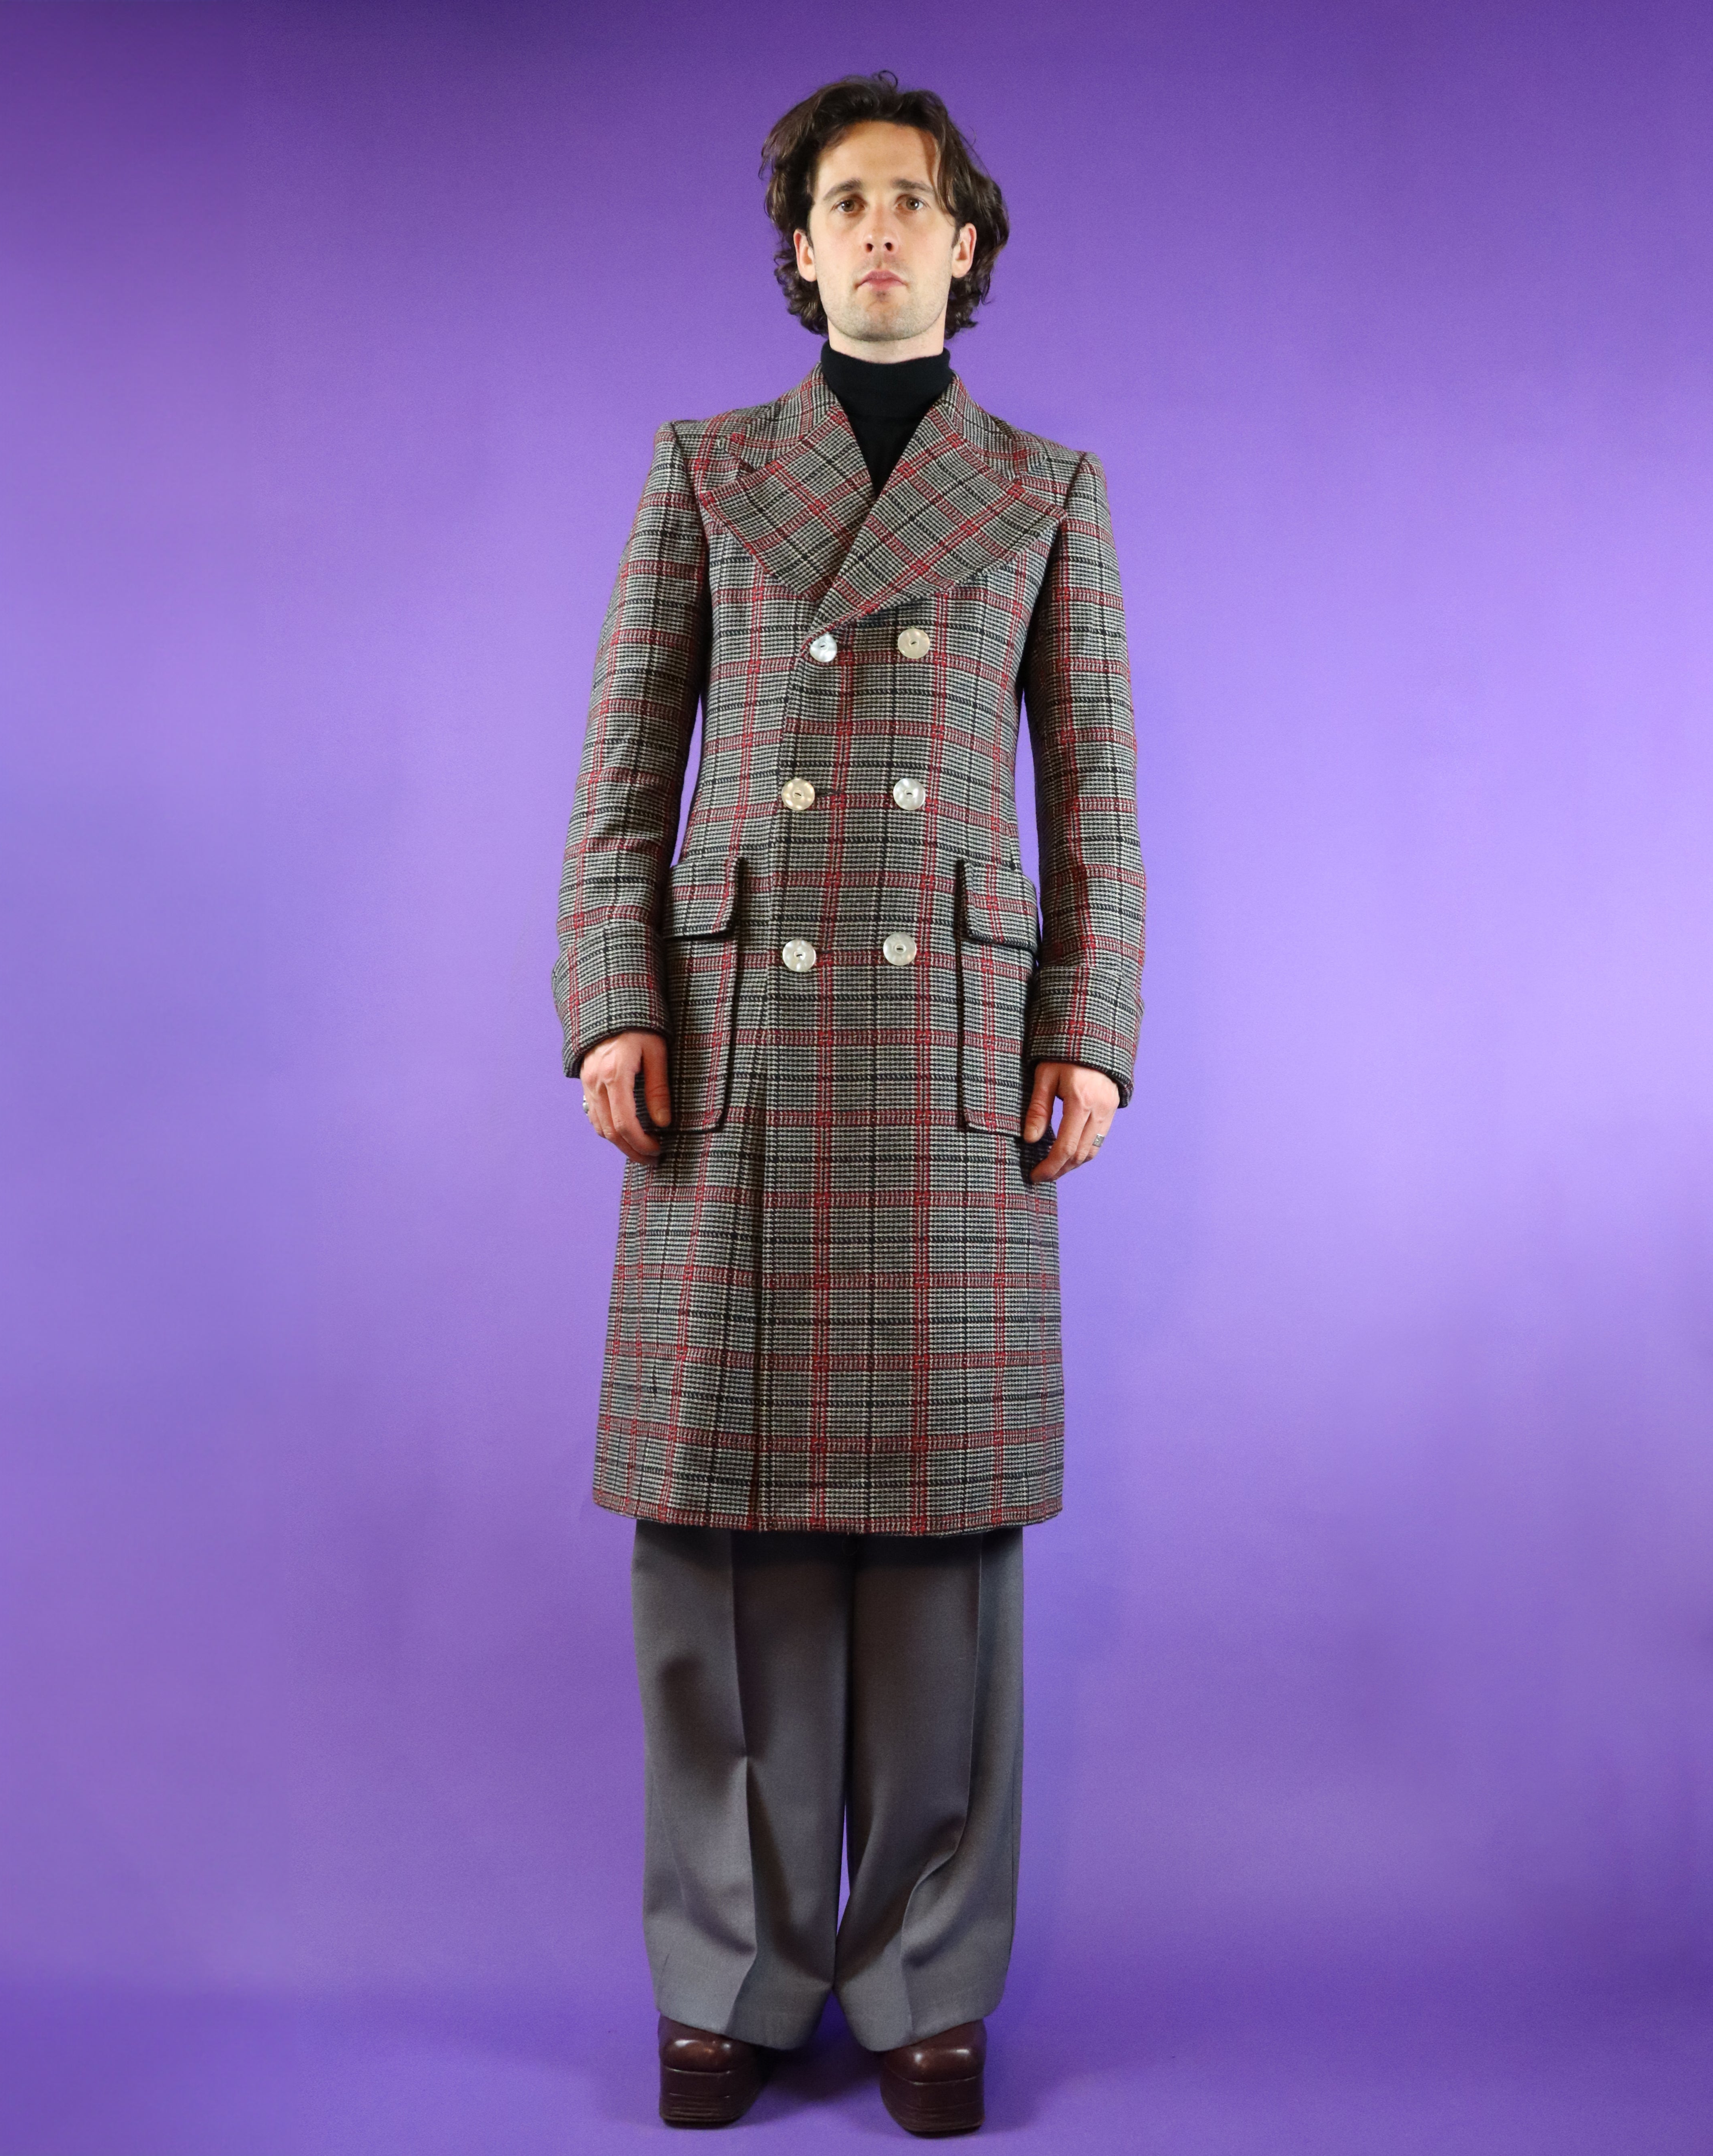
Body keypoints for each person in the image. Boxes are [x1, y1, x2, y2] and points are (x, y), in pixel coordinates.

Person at [553, 71, 1145, 2135]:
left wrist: (1087, 1024)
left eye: (911, 201)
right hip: (738, 1045)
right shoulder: (705, 470)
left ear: (964, 247)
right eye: (842, 204)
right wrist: (609, 998)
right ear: (800, 254)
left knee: (939, 1540)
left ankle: (923, 1985)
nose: (879, 228)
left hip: (948, 1050)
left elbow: (1096, 793)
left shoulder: (1045, 489)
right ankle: (723, 1974)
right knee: (719, 1532)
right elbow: (625, 766)